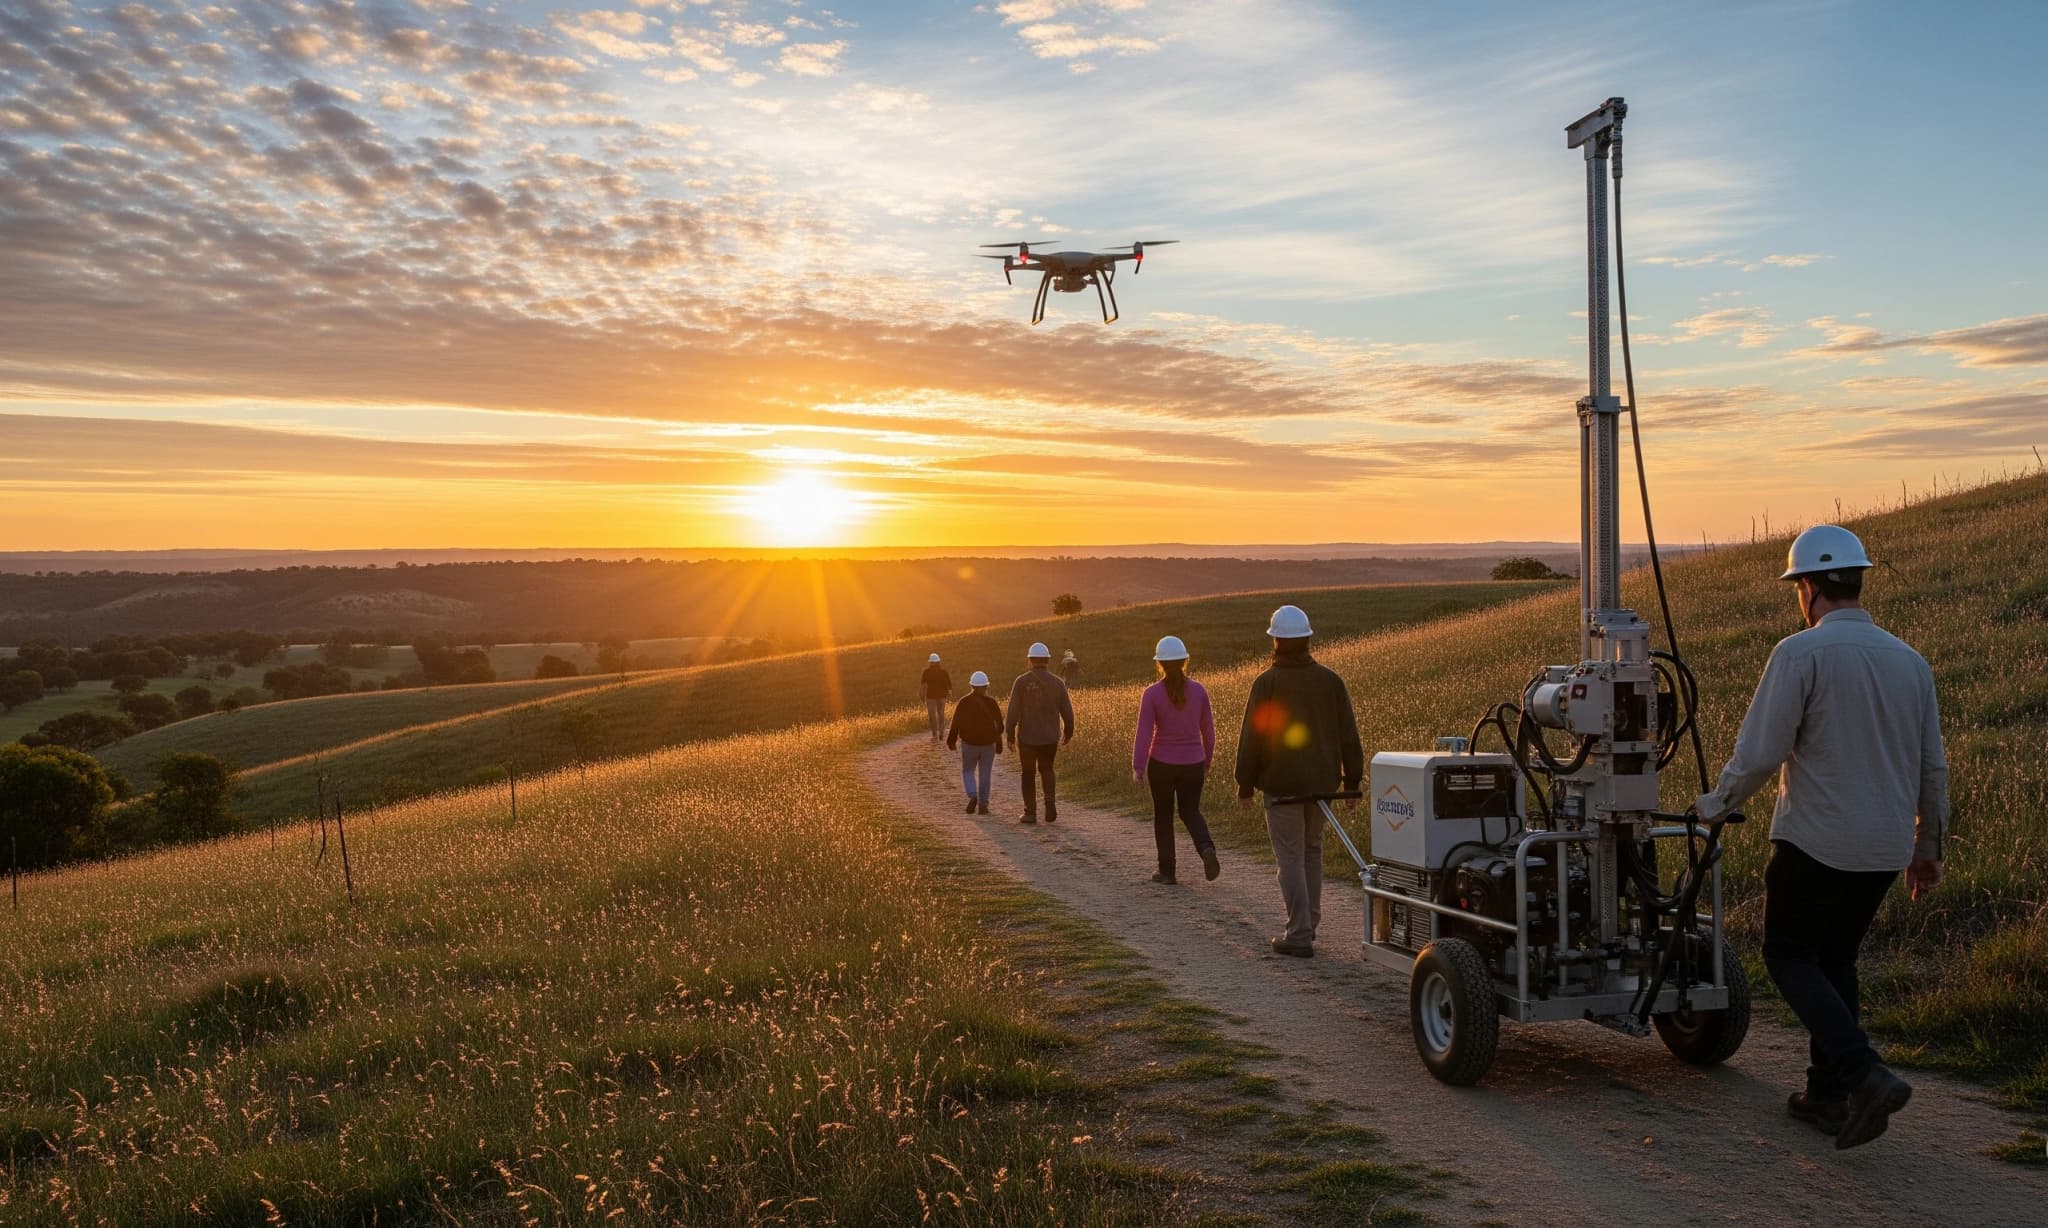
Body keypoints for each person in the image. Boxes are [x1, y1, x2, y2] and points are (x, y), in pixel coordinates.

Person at [1693, 524, 1947, 1151]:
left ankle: (1864, 1074)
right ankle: (1826, 1094)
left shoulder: (1800, 653)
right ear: (1856, 580)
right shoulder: (1910, 661)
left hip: (1816, 842)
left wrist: (1715, 805)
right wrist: (1927, 848)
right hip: (1884, 848)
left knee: (1788, 956)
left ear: (1805, 587)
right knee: (1835, 959)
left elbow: (1760, 752)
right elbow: (1932, 767)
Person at [1234, 604, 1362, 958]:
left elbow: (1252, 739)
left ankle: (1300, 931)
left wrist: (1245, 785)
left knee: (1289, 857)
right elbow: (1349, 737)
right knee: (1311, 852)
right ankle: (1309, 923)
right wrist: (1351, 782)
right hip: (1323, 784)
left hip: (1281, 786)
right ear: (1307, 639)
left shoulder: (1267, 683)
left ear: (1275, 641)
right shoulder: (1331, 681)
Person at [1132, 635, 1219, 885]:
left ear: (1159, 663)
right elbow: (1209, 733)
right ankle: (1206, 848)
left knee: (1163, 815)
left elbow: (1144, 733)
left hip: (1162, 763)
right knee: (1190, 810)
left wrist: (1138, 767)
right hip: (1193, 762)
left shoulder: (1151, 694)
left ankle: (1167, 871)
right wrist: (1207, 759)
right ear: (1184, 661)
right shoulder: (1199, 691)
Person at [1004, 642, 1074, 825]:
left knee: (1028, 774)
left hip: (1027, 738)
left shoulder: (1021, 682)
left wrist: (1010, 734)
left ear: (1030, 660)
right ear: (1047, 661)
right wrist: (1068, 731)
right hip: (1050, 737)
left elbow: (1012, 712)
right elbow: (1067, 711)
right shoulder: (1058, 683)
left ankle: (1030, 812)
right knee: (1047, 769)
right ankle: (1050, 803)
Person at [946, 670, 1004, 815]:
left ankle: (973, 795)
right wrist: (998, 740)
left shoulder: (963, 702)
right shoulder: (991, 703)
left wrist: (951, 740)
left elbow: (955, 723)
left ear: (971, 685)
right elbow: (1000, 725)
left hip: (969, 744)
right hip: (988, 745)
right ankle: (983, 805)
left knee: (968, 771)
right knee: (985, 774)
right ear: (986, 686)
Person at [919, 652, 951, 744]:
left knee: (932, 715)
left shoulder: (926, 672)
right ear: (938, 662)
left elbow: (923, 685)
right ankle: (940, 732)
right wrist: (949, 694)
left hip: (931, 697)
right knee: (941, 714)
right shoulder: (944, 672)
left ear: (931, 662)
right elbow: (949, 685)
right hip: (941, 696)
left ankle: (935, 735)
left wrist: (921, 695)